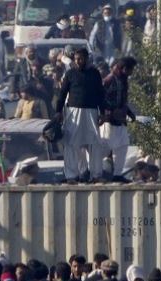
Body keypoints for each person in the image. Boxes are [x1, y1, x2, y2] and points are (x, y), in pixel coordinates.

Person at [54, 47, 105, 183]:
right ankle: (71, 175)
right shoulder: (70, 73)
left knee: (94, 143)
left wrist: (103, 113)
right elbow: (62, 93)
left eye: (81, 59)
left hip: (91, 111)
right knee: (70, 143)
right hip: (73, 111)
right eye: (76, 59)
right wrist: (58, 111)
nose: (78, 61)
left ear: (86, 59)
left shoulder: (94, 73)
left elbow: (100, 93)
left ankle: (96, 175)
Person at [101, 57, 138, 181]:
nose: (132, 72)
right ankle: (93, 172)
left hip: (120, 121)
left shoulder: (123, 80)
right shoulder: (110, 80)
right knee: (104, 147)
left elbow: (122, 101)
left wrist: (129, 113)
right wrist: (111, 110)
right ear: (124, 69)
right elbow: (101, 97)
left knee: (123, 144)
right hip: (109, 121)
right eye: (131, 69)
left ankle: (117, 174)